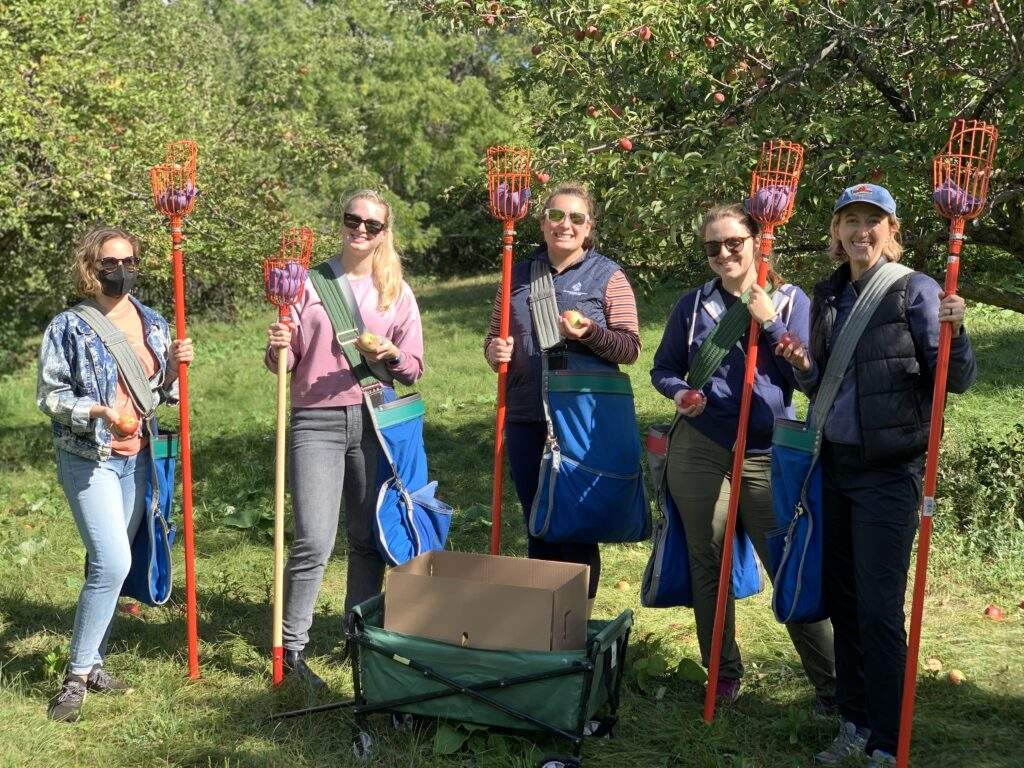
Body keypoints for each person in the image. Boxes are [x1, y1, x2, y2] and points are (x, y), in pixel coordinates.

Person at [778, 184, 976, 768]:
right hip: (833, 467)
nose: (860, 232)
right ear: (836, 233)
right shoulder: (830, 292)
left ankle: (888, 739)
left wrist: (956, 333)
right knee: (843, 601)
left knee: (879, 607)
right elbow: (825, 387)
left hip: (888, 472)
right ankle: (854, 722)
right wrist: (802, 366)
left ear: (892, 232)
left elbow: (954, 381)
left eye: (873, 221)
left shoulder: (916, 290)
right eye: (850, 221)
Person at [650, 203, 837, 708]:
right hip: (702, 446)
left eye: (734, 242)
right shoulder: (692, 307)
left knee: (785, 560)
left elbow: (809, 376)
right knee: (706, 559)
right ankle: (722, 673)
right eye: (713, 246)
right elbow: (664, 368)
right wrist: (679, 394)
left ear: (758, 241)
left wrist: (771, 325)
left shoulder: (793, 301)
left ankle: (833, 684)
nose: (724, 253)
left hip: (763, 452)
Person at [266, 189, 423, 687]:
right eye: (353, 220)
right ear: (342, 223)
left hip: (376, 423)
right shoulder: (306, 285)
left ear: (384, 233)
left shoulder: (395, 291)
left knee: (366, 538)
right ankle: (292, 649)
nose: (360, 230)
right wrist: (277, 348)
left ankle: (358, 634)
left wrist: (392, 354)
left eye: (372, 225)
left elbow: (414, 369)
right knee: (313, 539)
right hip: (316, 420)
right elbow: (281, 365)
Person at [38, 225, 194, 722]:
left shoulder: (152, 322)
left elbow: (159, 396)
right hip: (90, 457)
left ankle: (95, 657)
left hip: (139, 455)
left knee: (106, 562)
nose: (121, 270)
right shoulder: (68, 327)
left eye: (129, 261)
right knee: (111, 562)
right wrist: (101, 412)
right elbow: (50, 396)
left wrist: (173, 368)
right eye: (110, 263)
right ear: (92, 267)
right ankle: (77, 676)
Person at [484, 183, 641, 604]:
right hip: (525, 412)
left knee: (575, 521)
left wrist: (589, 332)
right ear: (542, 223)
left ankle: (576, 620)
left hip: (581, 417)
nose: (565, 225)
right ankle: (543, 617)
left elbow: (630, 348)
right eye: (556, 216)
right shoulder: (515, 273)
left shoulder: (608, 275)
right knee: (538, 517)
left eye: (575, 218)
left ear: (588, 228)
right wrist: (494, 351)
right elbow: (493, 339)